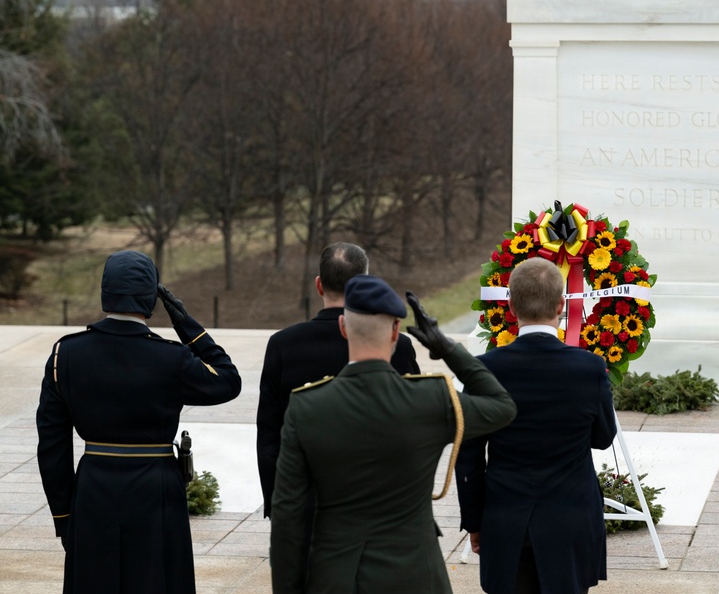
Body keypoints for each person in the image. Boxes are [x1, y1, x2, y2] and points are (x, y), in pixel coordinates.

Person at [269, 275, 517, 594]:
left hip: (337, 577)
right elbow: (502, 406)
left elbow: (287, 515)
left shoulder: (306, 406)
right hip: (416, 575)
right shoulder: (432, 398)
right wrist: (447, 348)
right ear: (396, 331)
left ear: (343, 327)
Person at [36, 250, 242, 594]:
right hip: (156, 490)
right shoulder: (171, 356)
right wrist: (186, 324)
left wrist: (64, 517)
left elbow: (52, 446)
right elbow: (228, 380)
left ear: (105, 292)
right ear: (151, 298)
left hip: (94, 490)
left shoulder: (65, 354)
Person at [455, 257, 617, 594]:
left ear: (511, 307)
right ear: (561, 305)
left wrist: (474, 521)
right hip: (570, 517)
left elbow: (468, 455)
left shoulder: (484, 370)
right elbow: (603, 438)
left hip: (506, 518)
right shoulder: (589, 368)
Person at [256, 242, 419, 517]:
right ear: (364, 284)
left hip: (304, 501)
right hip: (378, 500)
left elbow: (269, 434)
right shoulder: (397, 345)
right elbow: (414, 428)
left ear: (319, 285)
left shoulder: (282, 345)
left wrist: (276, 504)